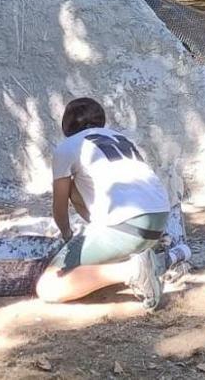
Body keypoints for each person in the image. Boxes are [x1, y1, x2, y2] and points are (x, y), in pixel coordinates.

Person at [35, 98, 172, 311]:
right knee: (75, 185)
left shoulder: (68, 147)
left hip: (126, 226)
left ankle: (133, 271)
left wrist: (67, 237)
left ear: (66, 126)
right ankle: (143, 252)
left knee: (48, 286)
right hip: (159, 219)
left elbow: (59, 206)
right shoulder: (121, 138)